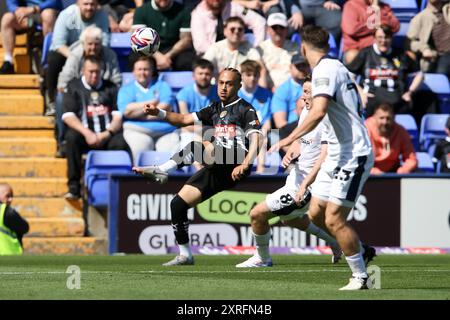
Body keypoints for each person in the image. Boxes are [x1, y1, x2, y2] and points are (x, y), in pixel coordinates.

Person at [271, 25, 376, 290]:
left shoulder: (325, 70)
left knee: (333, 220)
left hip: (353, 153)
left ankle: (361, 276)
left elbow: (318, 112)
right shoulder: (337, 67)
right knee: (316, 213)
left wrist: (288, 138)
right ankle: (359, 248)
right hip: (338, 151)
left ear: (303, 48)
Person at [133, 68, 263, 266]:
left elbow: (257, 138)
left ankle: (161, 169)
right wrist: (157, 112)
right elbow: (184, 120)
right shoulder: (214, 108)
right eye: (221, 83)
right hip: (217, 167)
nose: (224, 87)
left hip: (235, 161)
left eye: (229, 83)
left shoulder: (246, 109)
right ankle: (185, 255)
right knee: (177, 205)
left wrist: (246, 163)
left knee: (197, 144)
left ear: (238, 86)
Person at [236, 75, 343, 267]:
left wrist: (305, 185)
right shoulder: (307, 111)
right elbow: (302, 140)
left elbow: (324, 156)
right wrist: (292, 151)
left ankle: (262, 258)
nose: (303, 97)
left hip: (309, 183)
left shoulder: (327, 118)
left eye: (308, 92)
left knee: (257, 214)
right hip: (296, 177)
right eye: (303, 91)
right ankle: (335, 240)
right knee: (291, 219)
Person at [62, 57, 130, 199]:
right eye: (90, 72)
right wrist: (87, 133)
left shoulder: (110, 87)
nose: (94, 75)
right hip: (84, 134)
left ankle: (119, 187)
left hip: (106, 134)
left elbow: (118, 117)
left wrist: (106, 134)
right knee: (71, 137)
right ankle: (74, 187)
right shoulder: (73, 86)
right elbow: (68, 116)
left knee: (121, 142)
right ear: (83, 71)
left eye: (97, 72)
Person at [55, 25, 122, 157]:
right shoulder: (75, 55)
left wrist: (104, 87)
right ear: (83, 43)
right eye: (89, 44)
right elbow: (63, 80)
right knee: (60, 99)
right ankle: (62, 140)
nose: (93, 47)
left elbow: (117, 79)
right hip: (77, 93)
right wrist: (74, 90)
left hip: (105, 91)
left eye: (96, 44)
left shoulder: (110, 55)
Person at [45, 0, 109, 116]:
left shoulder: (102, 15)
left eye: (92, 4)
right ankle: (52, 101)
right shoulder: (66, 15)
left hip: (93, 50)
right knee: (54, 59)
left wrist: (91, 53)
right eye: (86, 4)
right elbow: (58, 44)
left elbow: (105, 42)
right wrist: (76, 57)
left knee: (106, 56)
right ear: (78, 4)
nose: (89, 7)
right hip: (68, 52)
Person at [346, 24, 424, 117]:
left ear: (391, 38)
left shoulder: (400, 54)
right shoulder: (366, 53)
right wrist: (361, 93)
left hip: (397, 99)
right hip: (371, 99)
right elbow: (348, 75)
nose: (383, 41)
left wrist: (410, 92)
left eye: (386, 37)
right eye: (380, 37)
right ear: (374, 38)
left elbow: (419, 75)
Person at [117, 56, 178, 164]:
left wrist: (136, 110)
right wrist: (150, 104)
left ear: (152, 71)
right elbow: (126, 111)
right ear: (133, 71)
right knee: (142, 158)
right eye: (139, 69)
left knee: (169, 161)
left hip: (165, 131)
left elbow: (165, 107)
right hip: (137, 130)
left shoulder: (163, 86)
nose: (142, 73)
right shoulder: (126, 90)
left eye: (146, 69)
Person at [132, 0, 195, 71]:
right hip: (150, 49)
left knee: (187, 60)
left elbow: (185, 39)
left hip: (173, 49)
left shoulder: (183, 11)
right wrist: (158, 56)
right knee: (137, 58)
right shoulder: (141, 11)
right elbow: (138, 39)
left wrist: (168, 56)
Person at [0, 0, 60, 74]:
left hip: (46, 11)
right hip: (26, 15)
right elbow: (11, 3)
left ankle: (49, 62)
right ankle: (8, 61)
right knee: (7, 18)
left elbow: (54, 2)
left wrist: (34, 9)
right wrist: (17, 11)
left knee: (48, 14)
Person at [191, 0, 266, 56]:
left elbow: (259, 21)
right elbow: (201, 46)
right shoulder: (197, 15)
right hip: (211, 57)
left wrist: (258, 47)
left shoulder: (234, 7)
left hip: (238, 52)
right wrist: (224, 54)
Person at [176, 59, 218, 157]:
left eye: (207, 74)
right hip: (190, 132)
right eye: (200, 73)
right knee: (188, 155)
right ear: (193, 75)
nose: (204, 77)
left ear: (212, 75)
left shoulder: (219, 93)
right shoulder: (184, 94)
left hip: (213, 133)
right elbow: (185, 122)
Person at [238, 59, 271, 173]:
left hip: (257, 131)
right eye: (248, 75)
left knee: (261, 137)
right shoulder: (234, 94)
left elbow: (267, 122)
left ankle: (260, 171)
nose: (252, 78)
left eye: (255, 75)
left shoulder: (266, 94)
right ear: (241, 75)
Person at [341, 0, 400, 65]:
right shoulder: (351, 5)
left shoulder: (385, 7)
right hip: (359, 49)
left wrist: (377, 10)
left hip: (383, 48)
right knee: (352, 56)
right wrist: (378, 24)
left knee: (406, 56)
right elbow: (351, 30)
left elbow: (396, 26)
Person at [365, 103, 418, 174]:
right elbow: (360, 161)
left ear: (394, 118)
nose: (385, 122)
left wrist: (403, 171)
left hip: (394, 172)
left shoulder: (400, 130)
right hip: (371, 173)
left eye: (388, 118)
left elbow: (411, 159)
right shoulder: (366, 129)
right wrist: (374, 172)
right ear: (374, 117)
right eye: (381, 118)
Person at [407, 0, 450, 78]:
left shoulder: (448, 10)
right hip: (436, 58)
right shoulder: (420, 18)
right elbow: (410, 42)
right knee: (443, 69)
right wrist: (424, 49)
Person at [257, 12, 299, 90]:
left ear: (286, 29)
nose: (278, 30)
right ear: (268, 29)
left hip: (291, 91)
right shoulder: (260, 49)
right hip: (268, 91)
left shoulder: (296, 47)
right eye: (274, 27)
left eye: (281, 27)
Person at [0, 183, 29, 255]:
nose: (10, 199)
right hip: (8, 256)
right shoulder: (6, 211)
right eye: (8, 196)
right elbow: (25, 227)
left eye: (11, 196)